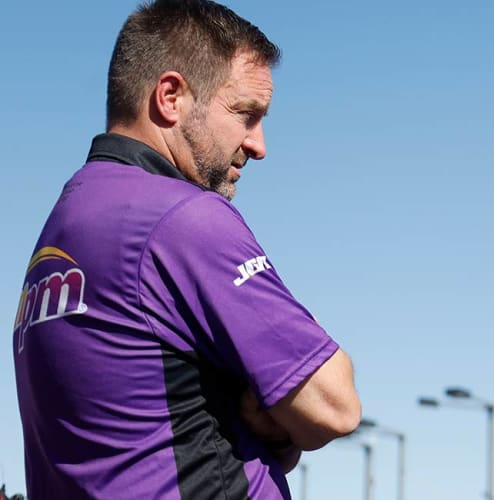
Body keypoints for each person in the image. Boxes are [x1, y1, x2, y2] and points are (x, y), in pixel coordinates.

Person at [12, 1, 361, 498]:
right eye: (245, 114)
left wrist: (279, 426)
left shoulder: (65, 224)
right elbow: (336, 406)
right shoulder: (181, 218)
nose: (258, 144)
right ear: (171, 97)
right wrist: (281, 414)